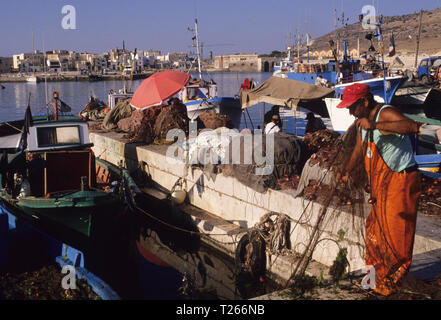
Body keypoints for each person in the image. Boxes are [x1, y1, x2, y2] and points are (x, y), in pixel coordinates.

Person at [337, 83, 423, 296]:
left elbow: (411, 127)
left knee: (396, 235)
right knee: (375, 232)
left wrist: (375, 126)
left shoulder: (385, 113)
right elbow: (359, 149)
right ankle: (372, 279)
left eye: (353, 107)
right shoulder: (360, 123)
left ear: (365, 102)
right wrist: (346, 170)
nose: (350, 112)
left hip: (400, 181)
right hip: (381, 184)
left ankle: (390, 284)